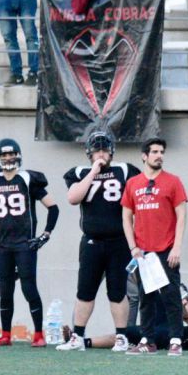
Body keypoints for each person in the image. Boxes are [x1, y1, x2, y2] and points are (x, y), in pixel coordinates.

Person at [58, 131, 142, 351]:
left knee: (117, 291)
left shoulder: (125, 170)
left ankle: (121, 337)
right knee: (85, 291)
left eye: (105, 150)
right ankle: (77, 336)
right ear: (89, 153)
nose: (102, 154)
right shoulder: (79, 172)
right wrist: (94, 171)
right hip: (92, 241)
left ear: (112, 151)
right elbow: (73, 198)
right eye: (97, 151)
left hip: (119, 241)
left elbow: (138, 199)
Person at [0, 139, 58, 347]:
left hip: (24, 244)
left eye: (11, 154)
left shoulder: (27, 179)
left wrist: (45, 234)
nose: (8, 158)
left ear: (18, 155)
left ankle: (38, 334)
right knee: (5, 291)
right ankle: (6, 335)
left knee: (29, 289)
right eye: (3, 155)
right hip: (2, 245)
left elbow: (53, 207)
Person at [121, 138, 187, 356]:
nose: (159, 155)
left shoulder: (173, 181)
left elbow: (182, 215)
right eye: (155, 151)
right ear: (144, 156)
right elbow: (126, 217)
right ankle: (147, 340)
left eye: (162, 151)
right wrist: (133, 248)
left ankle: (176, 340)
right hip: (143, 252)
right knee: (145, 297)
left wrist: (177, 247)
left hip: (166, 249)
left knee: (171, 296)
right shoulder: (133, 183)